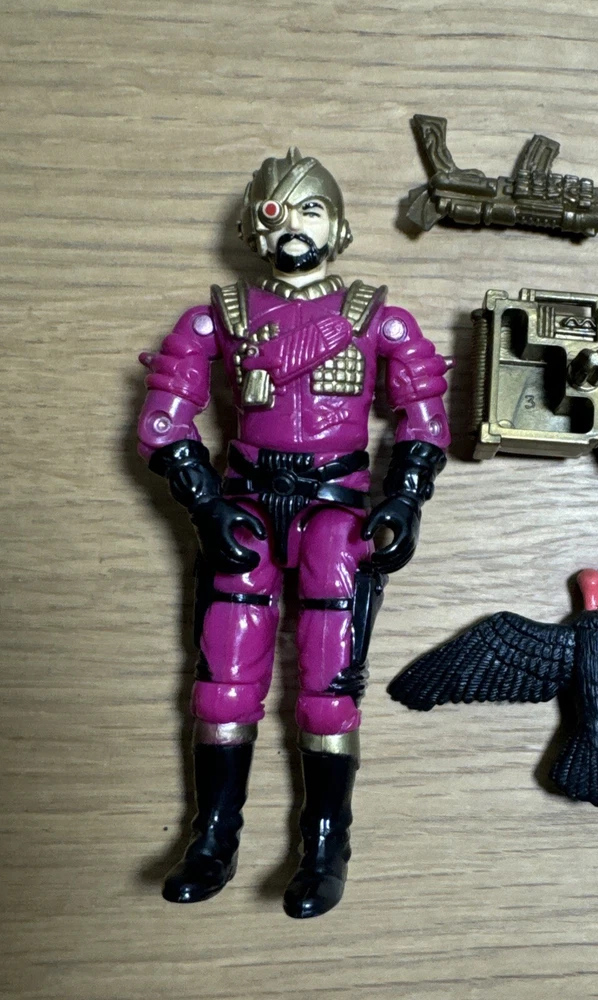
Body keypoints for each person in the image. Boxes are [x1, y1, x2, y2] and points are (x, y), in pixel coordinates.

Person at [137, 148, 450, 918]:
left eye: (312, 208)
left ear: (337, 226)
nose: (294, 224)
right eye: (278, 209)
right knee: (222, 681)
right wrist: (204, 503)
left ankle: (325, 844)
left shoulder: (379, 319)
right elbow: (165, 418)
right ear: (256, 225)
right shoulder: (218, 318)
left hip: (335, 513)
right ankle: (213, 837)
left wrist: (406, 499)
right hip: (242, 505)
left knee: (328, 689)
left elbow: (423, 417)